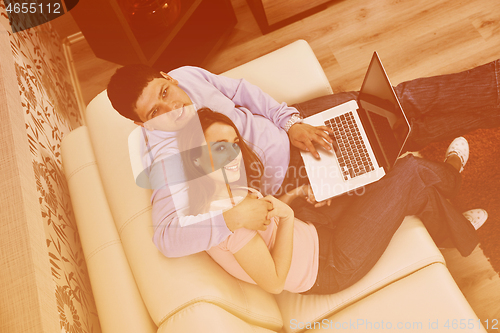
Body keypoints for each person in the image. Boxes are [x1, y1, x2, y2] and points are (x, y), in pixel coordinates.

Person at [106, 59, 499, 258]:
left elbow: (243, 92)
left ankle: (492, 85)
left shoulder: (188, 75)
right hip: (294, 179)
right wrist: (233, 216)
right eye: (154, 113)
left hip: (295, 128)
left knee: (396, 105)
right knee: (392, 134)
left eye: (163, 91)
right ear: (143, 125)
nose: (169, 107)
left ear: (168, 77)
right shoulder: (163, 151)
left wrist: (290, 122)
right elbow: (165, 238)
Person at [176, 107, 482, 294]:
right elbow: (274, 282)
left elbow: (269, 216)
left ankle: (450, 229)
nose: (233, 155)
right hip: (329, 265)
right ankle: (452, 176)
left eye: (233, 144)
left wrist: (296, 195)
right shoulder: (228, 221)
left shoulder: (218, 187)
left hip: (317, 230)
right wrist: (288, 216)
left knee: (379, 172)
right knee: (409, 170)